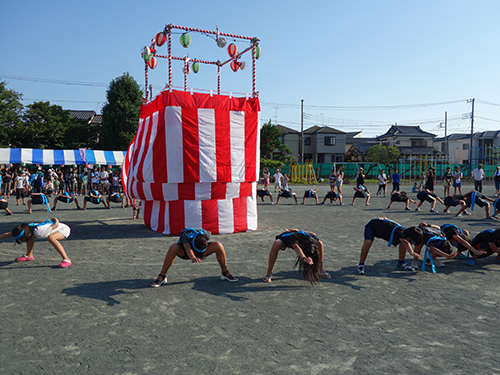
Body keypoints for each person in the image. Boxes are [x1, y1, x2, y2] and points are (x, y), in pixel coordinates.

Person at [151, 228, 238, 287]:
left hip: (202, 252)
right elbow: (188, 248)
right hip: (186, 253)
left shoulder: (205, 234)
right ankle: (162, 276)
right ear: (192, 241)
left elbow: (210, 234)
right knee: (174, 247)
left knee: (218, 245)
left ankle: (225, 272)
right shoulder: (186, 235)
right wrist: (193, 257)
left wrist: (201, 252)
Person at [357, 218, 423, 275]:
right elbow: (406, 243)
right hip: (372, 227)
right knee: (368, 242)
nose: (412, 244)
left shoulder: (404, 232)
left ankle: (401, 263)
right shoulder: (400, 232)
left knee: (402, 243)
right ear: (410, 237)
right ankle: (361, 264)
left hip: (381, 230)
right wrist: (411, 252)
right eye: (413, 242)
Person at [262, 229, 330, 284]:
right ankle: (269, 272)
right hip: (285, 239)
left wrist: (298, 231)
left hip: (299, 234)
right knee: (277, 243)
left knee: (320, 243)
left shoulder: (312, 239)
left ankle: (321, 269)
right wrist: (304, 257)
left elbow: (313, 233)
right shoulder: (294, 240)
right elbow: (296, 247)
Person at [0, 218, 72, 268]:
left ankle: (66, 259)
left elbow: (56, 225)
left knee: (51, 238)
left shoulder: (40, 232)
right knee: (29, 236)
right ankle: (29, 255)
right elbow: (8, 234)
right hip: (51, 228)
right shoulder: (26, 229)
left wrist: (55, 219)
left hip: (63, 230)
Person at [420, 222, 486, 260]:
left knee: (465, 232)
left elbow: (463, 241)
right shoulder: (451, 232)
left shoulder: (457, 235)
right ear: (455, 239)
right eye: (455, 244)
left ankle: (459, 253)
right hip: (436, 234)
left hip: (449, 235)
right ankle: (430, 258)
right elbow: (438, 228)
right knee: (442, 247)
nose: (453, 245)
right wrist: (429, 225)